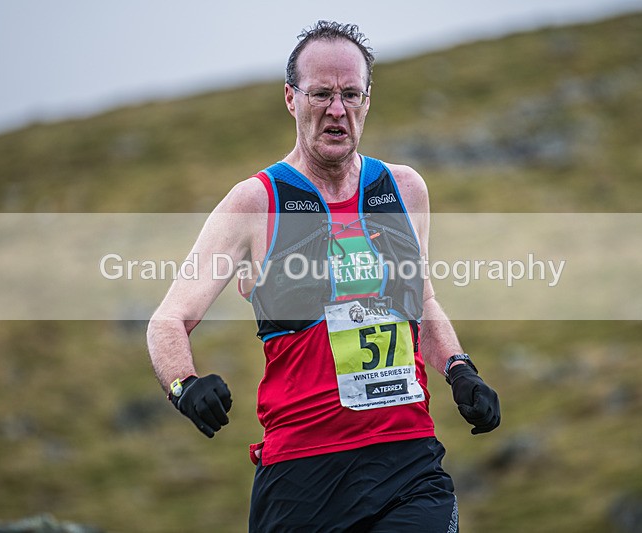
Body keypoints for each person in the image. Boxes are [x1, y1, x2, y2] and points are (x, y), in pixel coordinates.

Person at [147, 20, 501, 532]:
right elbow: (168, 319)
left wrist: (460, 369)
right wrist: (185, 385)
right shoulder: (257, 203)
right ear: (291, 99)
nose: (337, 110)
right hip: (302, 477)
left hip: (407, 462)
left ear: (367, 100)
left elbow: (421, 299)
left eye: (351, 94)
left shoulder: (404, 190)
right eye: (321, 94)